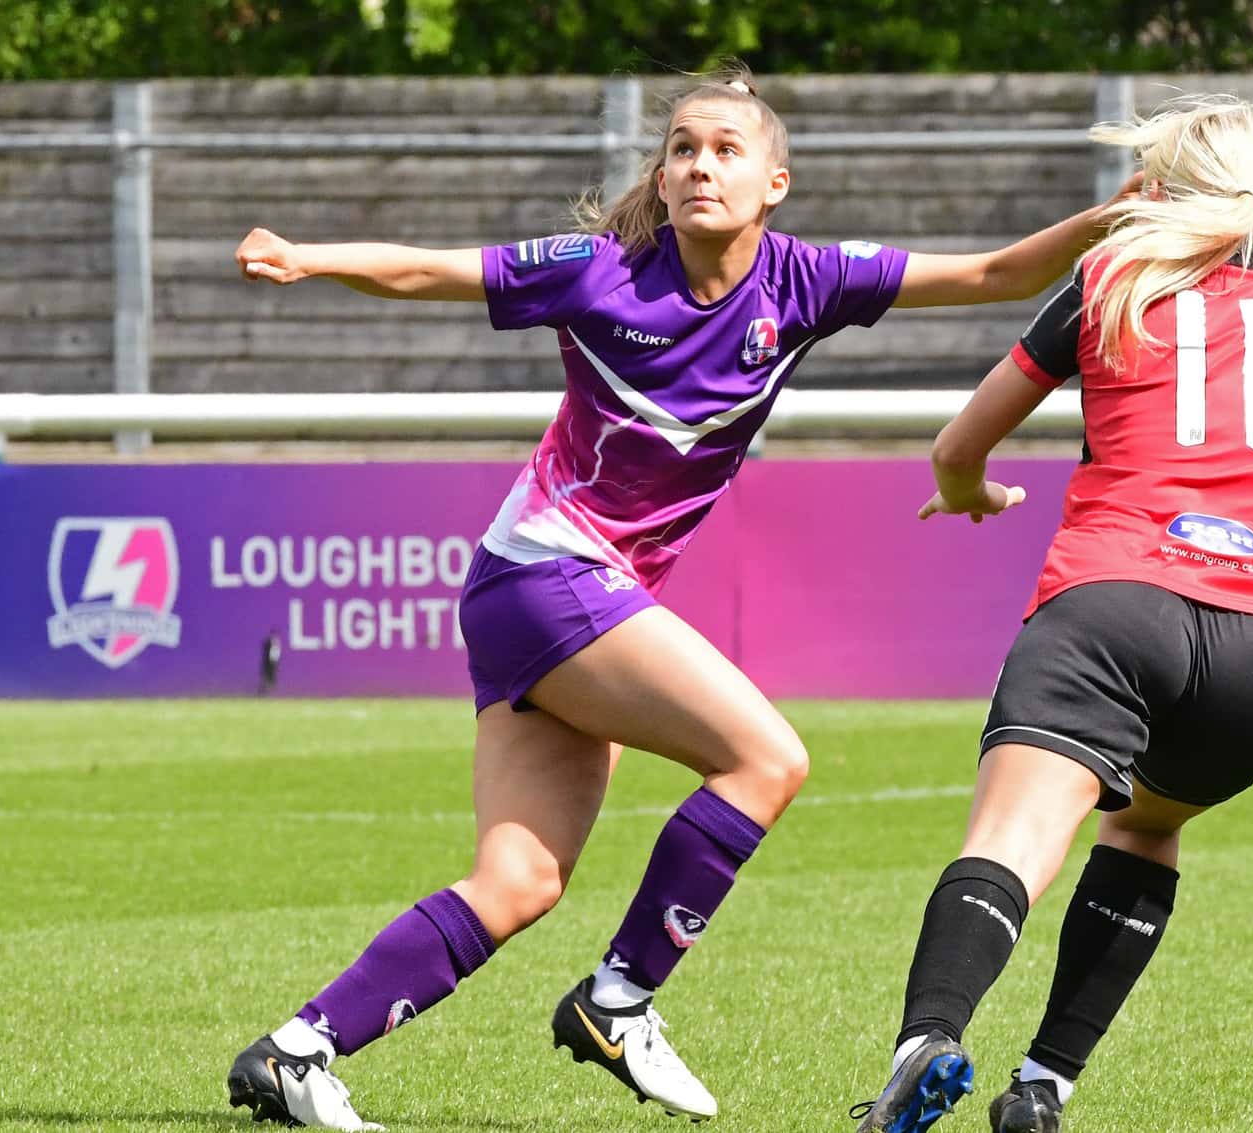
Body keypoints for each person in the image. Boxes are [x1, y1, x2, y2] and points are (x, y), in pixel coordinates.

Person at [220, 66, 1140, 1130]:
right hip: (544, 575)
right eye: (684, 149)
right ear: (661, 177)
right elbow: (431, 271)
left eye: (726, 150)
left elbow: (991, 273)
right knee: (768, 758)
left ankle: (296, 1049)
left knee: (517, 879)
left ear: (775, 182)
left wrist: (1112, 217)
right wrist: (308, 258)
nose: (701, 165)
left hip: (548, 591)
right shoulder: (599, 270)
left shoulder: (807, 279)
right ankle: (618, 997)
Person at [852, 93, 1253, 1133]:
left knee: (1017, 835)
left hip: (1114, 602)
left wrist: (971, 489)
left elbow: (956, 446)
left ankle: (928, 1036)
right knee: (1148, 823)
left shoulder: (1106, 286)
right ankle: (1042, 1085)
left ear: (1152, 193)